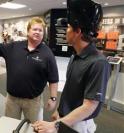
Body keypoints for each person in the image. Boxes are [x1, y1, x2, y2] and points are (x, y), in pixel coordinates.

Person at [32, 0, 111, 133]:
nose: (65, 30)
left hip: (79, 124)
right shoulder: (76, 55)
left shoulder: (99, 63)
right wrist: (60, 111)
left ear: (78, 31)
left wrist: (55, 125)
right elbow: (70, 89)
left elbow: (89, 106)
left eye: (68, 27)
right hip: (66, 119)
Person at [0, 17, 59, 122]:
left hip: (33, 102)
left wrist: (53, 98)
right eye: (35, 29)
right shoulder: (14, 47)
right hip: (12, 100)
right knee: (10, 125)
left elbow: (53, 78)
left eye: (40, 30)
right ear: (28, 31)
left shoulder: (47, 54)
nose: (37, 32)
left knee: (35, 128)